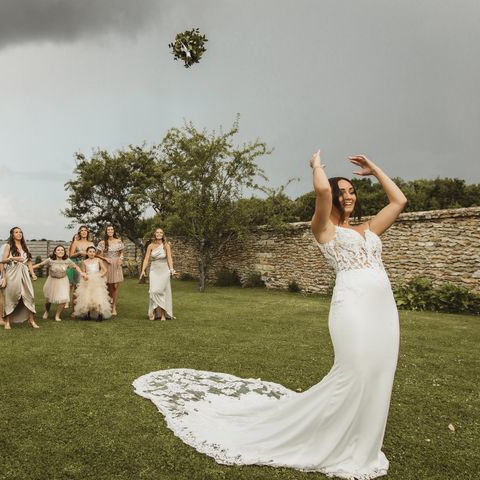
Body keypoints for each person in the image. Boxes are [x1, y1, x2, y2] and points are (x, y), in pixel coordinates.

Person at [132, 151, 407, 479]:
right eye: (341, 192)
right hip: (352, 308)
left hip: (383, 310)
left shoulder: (370, 229)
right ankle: (330, 438)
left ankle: (362, 444)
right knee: (355, 371)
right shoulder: (325, 229)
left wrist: (374, 169)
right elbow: (321, 192)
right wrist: (317, 167)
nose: (347, 196)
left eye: (351, 192)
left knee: (379, 374)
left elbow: (399, 201)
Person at [0, 227, 39, 330]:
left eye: (20, 232)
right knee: (11, 296)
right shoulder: (8, 246)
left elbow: (29, 262)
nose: (19, 234)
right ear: (12, 235)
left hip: (25, 273)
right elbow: (2, 260)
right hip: (12, 273)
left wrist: (32, 273)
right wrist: (13, 258)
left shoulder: (25, 246)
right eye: (16, 232)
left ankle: (31, 320)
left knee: (29, 295)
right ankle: (7, 321)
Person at [33, 245, 85, 322]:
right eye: (58, 250)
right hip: (52, 281)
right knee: (48, 299)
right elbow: (40, 265)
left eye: (62, 250)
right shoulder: (50, 260)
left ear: (64, 252)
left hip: (63, 281)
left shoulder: (67, 260)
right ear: (55, 252)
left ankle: (57, 315)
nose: (60, 251)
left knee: (64, 299)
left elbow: (75, 266)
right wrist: (29, 269)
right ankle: (46, 312)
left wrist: (81, 273)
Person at [140, 228, 177, 321]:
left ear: (163, 235)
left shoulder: (166, 245)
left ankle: (163, 315)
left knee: (163, 291)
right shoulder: (150, 246)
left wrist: (172, 270)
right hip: (154, 270)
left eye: (161, 232)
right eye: (157, 232)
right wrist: (143, 270)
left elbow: (169, 258)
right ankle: (154, 312)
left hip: (164, 270)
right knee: (153, 291)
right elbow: (146, 259)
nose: (159, 234)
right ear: (154, 234)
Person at [73, 246, 112, 320]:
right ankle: (87, 313)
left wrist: (101, 275)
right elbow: (83, 271)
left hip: (97, 279)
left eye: (93, 252)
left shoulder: (98, 260)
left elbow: (105, 270)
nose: (92, 253)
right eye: (90, 251)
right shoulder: (84, 262)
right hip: (88, 280)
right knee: (87, 295)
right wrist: (84, 276)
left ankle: (100, 313)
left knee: (99, 295)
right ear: (87, 253)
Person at [97, 224, 125, 316]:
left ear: (114, 231)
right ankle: (107, 305)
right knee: (108, 285)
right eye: (108, 230)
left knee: (115, 286)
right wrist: (105, 259)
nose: (110, 231)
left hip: (116, 264)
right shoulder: (102, 243)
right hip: (106, 264)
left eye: (111, 229)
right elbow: (97, 254)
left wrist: (121, 258)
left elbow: (122, 252)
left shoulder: (118, 241)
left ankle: (114, 308)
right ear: (106, 232)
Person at [67, 225, 94, 307]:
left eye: (85, 230)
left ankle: (85, 307)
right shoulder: (76, 242)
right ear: (79, 232)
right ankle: (74, 309)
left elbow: (93, 254)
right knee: (77, 287)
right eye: (82, 230)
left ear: (87, 232)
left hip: (88, 265)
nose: (84, 232)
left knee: (87, 286)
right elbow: (71, 255)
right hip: (78, 264)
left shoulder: (91, 243)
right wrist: (78, 253)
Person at [0, 242, 8, 326]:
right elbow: (0, 262)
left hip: (18, 276)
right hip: (6, 274)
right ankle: (0, 318)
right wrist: (3, 277)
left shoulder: (22, 246)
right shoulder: (5, 246)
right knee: (4, 296)